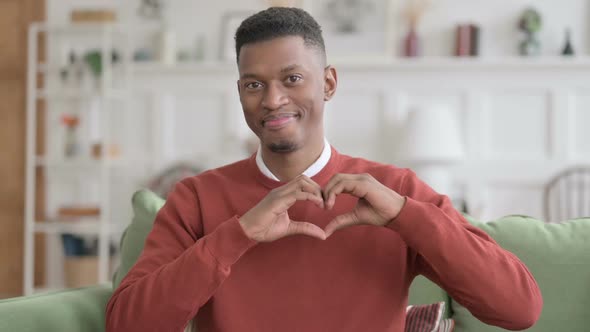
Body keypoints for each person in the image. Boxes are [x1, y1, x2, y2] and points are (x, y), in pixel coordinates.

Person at [106, 7, 542, 332]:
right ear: (240, 93)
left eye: (292, 79)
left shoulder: (395, 191)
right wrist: (237, 235)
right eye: (254, 84)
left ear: (329, 83)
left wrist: (406, 217)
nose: (273, 99)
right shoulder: (197, 198)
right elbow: (128, 325)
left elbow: (518, 309)